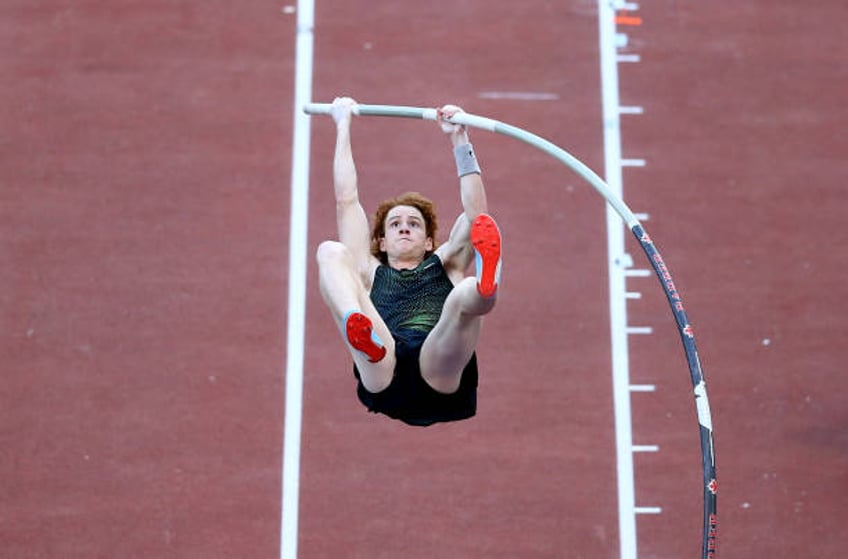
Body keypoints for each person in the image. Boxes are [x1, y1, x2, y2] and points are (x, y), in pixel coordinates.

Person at [315, 96, 502, 426]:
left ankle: (486, 287)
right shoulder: (371, 269)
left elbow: (478, 218)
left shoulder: (445, 263)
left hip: (438, 367)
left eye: (414, 223)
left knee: (466, 288)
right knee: (331, 252)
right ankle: (356, 324)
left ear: (429, 241)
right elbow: (347, 200)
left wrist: (459, 139)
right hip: (384, 365)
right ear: (382, 242)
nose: (404, 226)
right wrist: (343, 125)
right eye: (395, 224)